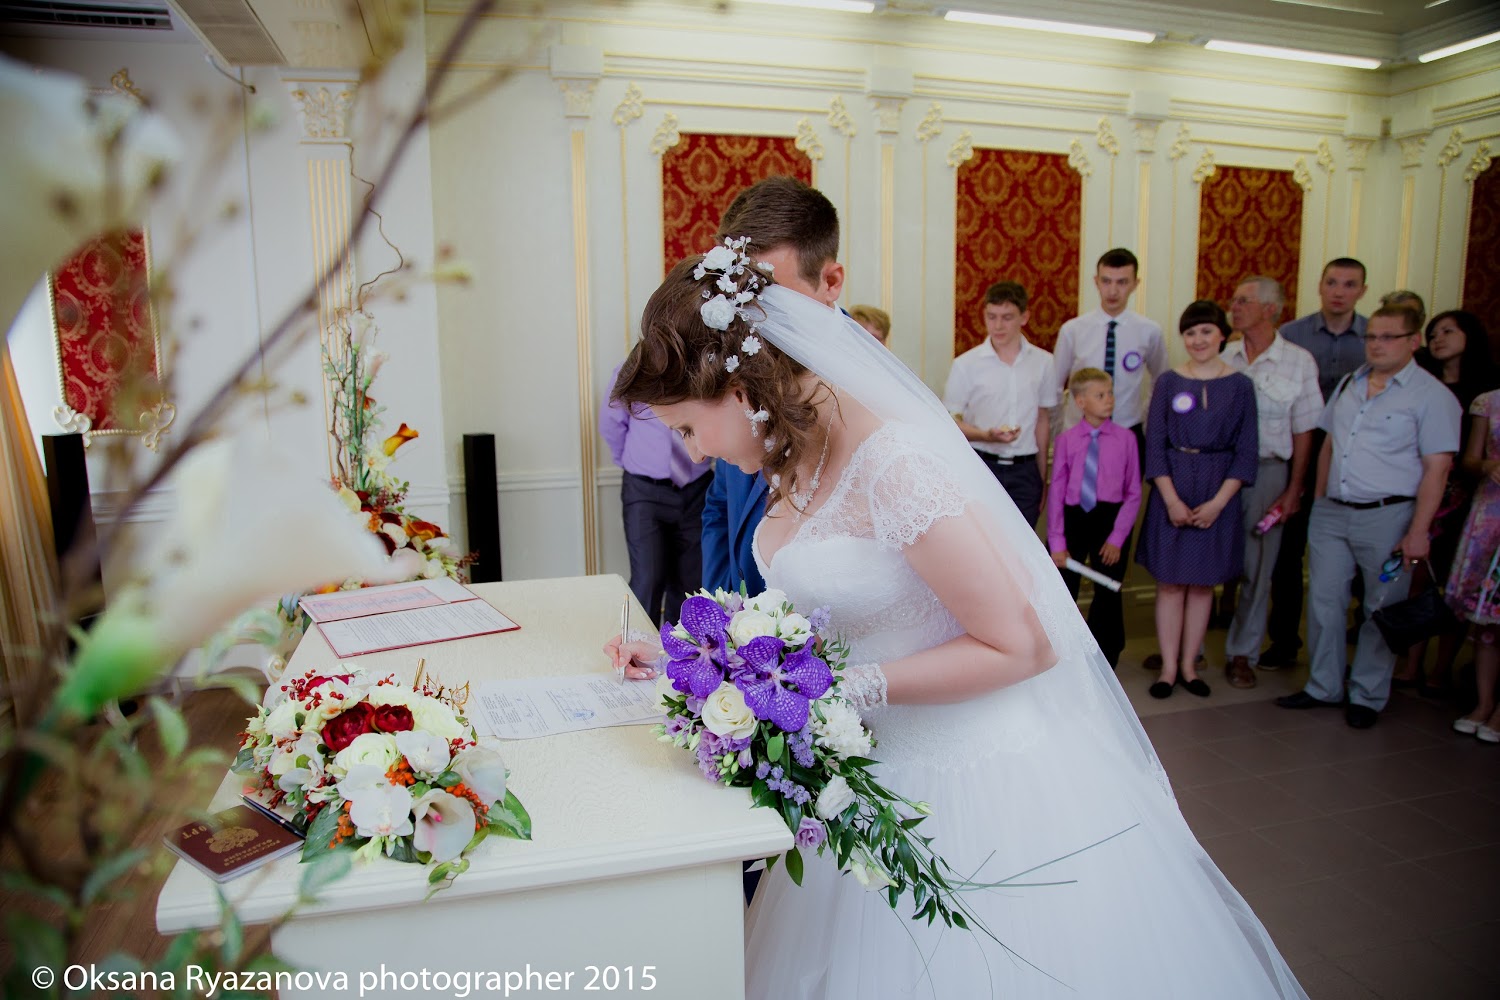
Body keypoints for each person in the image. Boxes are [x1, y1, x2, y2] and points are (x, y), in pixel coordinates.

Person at [608, 251, 1306, 999]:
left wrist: (839, 688)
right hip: (871, 777)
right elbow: (829, 609)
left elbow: (1023, 644)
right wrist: (703, 661)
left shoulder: (895, 465)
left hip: (974, 783)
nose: (695, 451)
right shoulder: (792, 452)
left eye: (688, 427)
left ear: (741, 391)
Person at [1275, 306, 1462, 729]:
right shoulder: (1350, 383)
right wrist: (1319, 500)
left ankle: (1368, 694)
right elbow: (1329, 445)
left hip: (1389, 516)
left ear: (1413, 341)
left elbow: (1437, 469)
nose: (1377, 345)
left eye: (1388, 337)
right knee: (1324, 601)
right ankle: (1323, 685)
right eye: (1372, 336)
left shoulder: (1431, 397)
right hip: (1333, 512)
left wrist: (1418, 531)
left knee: (1380, 607)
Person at [700, 176, 845, 596]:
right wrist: (725, 615)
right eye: (741, 297)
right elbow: (721, 504)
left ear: (831, 281)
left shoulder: (871, 399)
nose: (754, 317)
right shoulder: (737, 366)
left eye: (772, 296)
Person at [1136, 301, 1259, 699]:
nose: (1198, 340)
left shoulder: (1241, 387)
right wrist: (1170, 500)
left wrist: (1219, 503)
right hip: (1173, 487)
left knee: (1203, 586)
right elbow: (1155, 446)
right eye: (1190, 333)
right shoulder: (1168, 382)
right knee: (1170, 584)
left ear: (1222, 334)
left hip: (1217, 490)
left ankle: (1190, 666)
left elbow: (1246, 451)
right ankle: (1168, 668)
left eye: (1206, 331)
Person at [1261, 257, 1369, 668]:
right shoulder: (1292, 336)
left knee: (1349, 559)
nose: (1339, 291)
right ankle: (1284, 640)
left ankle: (1358, 641)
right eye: (1332, 282)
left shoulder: (1372, 337)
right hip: (1297, 448)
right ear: (1320, 286)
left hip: (1352, 454)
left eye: (1349, 284)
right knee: (1286, 556)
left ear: (1362, 290)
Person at [1220, 277, 1322, 689]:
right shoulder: (1224, 357)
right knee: (1208, 557)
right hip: (1219, 472)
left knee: (1258, 566)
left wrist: (1294, 489)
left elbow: (1305, 431)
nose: (1234, 306)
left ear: (1270, 308)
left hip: (1268, 471)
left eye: (1243, 300)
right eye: (1234, 299)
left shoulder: (1298, 362)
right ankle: (1189, 649)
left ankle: (1241, 653)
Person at [1399, 310, 1500, 692]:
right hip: (1422, 489)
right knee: (1417, 579)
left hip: (1468, 499)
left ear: (1469, 335)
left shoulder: (1487, 390)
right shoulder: (1420, 384)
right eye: (1432, 334)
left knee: (1456, 585)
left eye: (1447, 331)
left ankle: (1441, 669)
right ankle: (1411, 664)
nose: (1438, 339)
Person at [599, 365, 713, 624]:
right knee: (647, 579)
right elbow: (611, 424)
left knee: (690, 582)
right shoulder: (632, 369)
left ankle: (680, 648)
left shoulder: (702, 365)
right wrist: (630, 461)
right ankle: (639, 646)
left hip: (697, 488)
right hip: (644, 491)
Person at [943, 281, 1058, 527]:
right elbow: (950, 423)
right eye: (991, 316)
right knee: (981, 541)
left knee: (1023, 543)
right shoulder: (966, 364)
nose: (997, 326)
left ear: (1024, 317)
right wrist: (986, 435)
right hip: (982, 466)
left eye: (1007, 317)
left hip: (1026, 470)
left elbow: (1043, 420)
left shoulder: (1044, 362)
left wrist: (1042, 476)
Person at [1048, 368, 1140, 668]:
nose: (1109, 399)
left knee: (1108, 593)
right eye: (1100, 395)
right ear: (1080, 402)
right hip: (1074, 519)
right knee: (1063, 590)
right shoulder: (1066, 440)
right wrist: (1057, 541)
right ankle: (1061, 656)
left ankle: (1106, 658)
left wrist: (1117, 538)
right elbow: (1057, 491)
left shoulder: (1126, 439)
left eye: (1110, 393)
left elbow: (1133, 493)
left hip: (1109, 521)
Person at [1052, 247, 1166, 455]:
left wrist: (1145, 417)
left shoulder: (1149, 331)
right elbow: (1056, 386)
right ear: (1096, 282)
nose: (1113, 291)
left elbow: (1161, 381)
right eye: (1106, 281)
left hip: (1127, 429)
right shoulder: (1073, 330)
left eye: (1122, 282)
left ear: (1135, 284)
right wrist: (1060, 432)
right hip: (1080, 430)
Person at [1447, 388, 1500, 742]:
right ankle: (1483, 703)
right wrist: (1488, 466)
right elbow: (1469, 460)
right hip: (1492, 514)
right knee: (1487, 618)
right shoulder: (1489, 401)